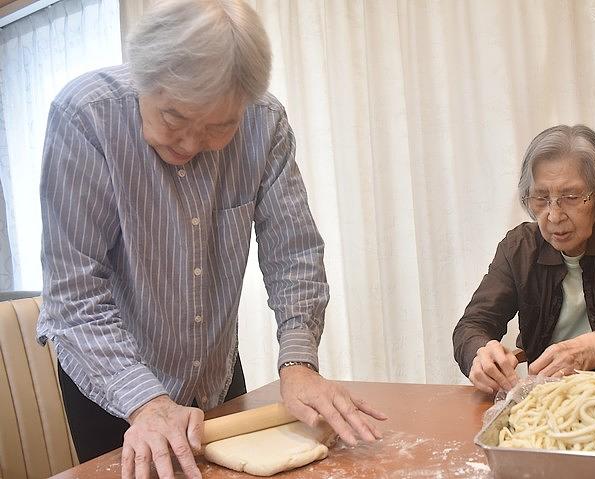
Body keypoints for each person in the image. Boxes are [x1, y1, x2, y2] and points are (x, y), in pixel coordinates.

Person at [37, 1, 385, 478]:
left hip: (214, 369)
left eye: (219, 127)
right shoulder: (87, 118)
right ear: (143, 77)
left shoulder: (264, 122)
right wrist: (146, 402)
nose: (188, 144)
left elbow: (294, 252)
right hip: (114, 384)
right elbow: (75, 297)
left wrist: (298, 362)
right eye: (174, 118)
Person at [452, 124, 595, 394]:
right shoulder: (518, 247)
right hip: (552, 401)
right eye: (541, 198)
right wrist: (479, 354)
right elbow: (473, 324)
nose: (554, 216)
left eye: (571, 197)